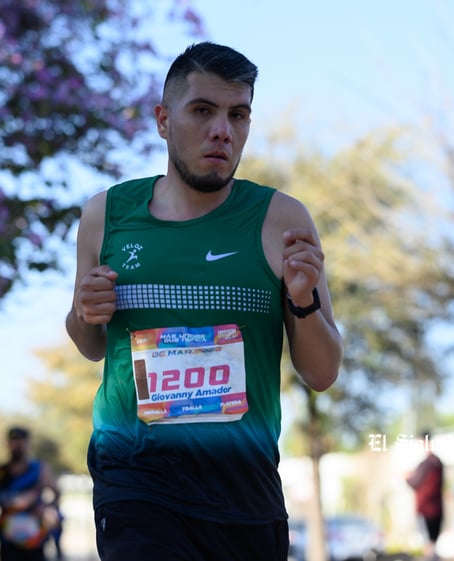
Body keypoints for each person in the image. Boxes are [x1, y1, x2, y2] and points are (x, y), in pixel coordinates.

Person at [64, 41, 343, 561]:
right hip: (136, 477)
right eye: (203, 111)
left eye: (238, 115)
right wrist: (85, 313)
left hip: (243, 484)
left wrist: (302, 302)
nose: (223, 130)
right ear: (164, 120)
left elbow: (323, 373)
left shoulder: (282, 220)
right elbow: (90, 344)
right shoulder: (107, 214)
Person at [0, 426, 60, 561]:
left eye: (22, 442)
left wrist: (47, 507)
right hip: (8, 541)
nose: (18, 446)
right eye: (14, 442)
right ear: (8, 444)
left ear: (28, 444)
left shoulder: (39, 469)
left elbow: (56, 493)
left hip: (34, 540)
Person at [405, 431, 444, 561]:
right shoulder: (438, 462)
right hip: (437, 508)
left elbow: (415, 482)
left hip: (425, 508)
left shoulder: (426, 464)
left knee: (428, 545)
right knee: (432, 543)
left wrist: (408, 477)